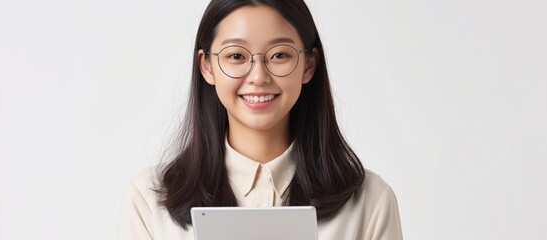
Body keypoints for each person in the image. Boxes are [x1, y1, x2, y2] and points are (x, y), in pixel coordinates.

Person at [118, 0, 403, 239]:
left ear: (309, 64)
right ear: (207, 66)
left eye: (279, 55)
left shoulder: (370, 202)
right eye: (236, 56)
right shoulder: (150, 201)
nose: (258, 76)